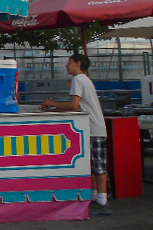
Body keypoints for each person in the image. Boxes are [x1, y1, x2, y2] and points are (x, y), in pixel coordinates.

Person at [41, 53, 110, 216]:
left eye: (69, 62)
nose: (66, 66)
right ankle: (96, 197)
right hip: (93, 127)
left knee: (98, 165)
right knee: (93, 164)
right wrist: (56, 108)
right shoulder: (85, 79)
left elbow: (74, 105)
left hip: (93, 128)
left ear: (78, 64)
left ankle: (102, 201)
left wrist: (52, 103)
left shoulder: (78, 80)